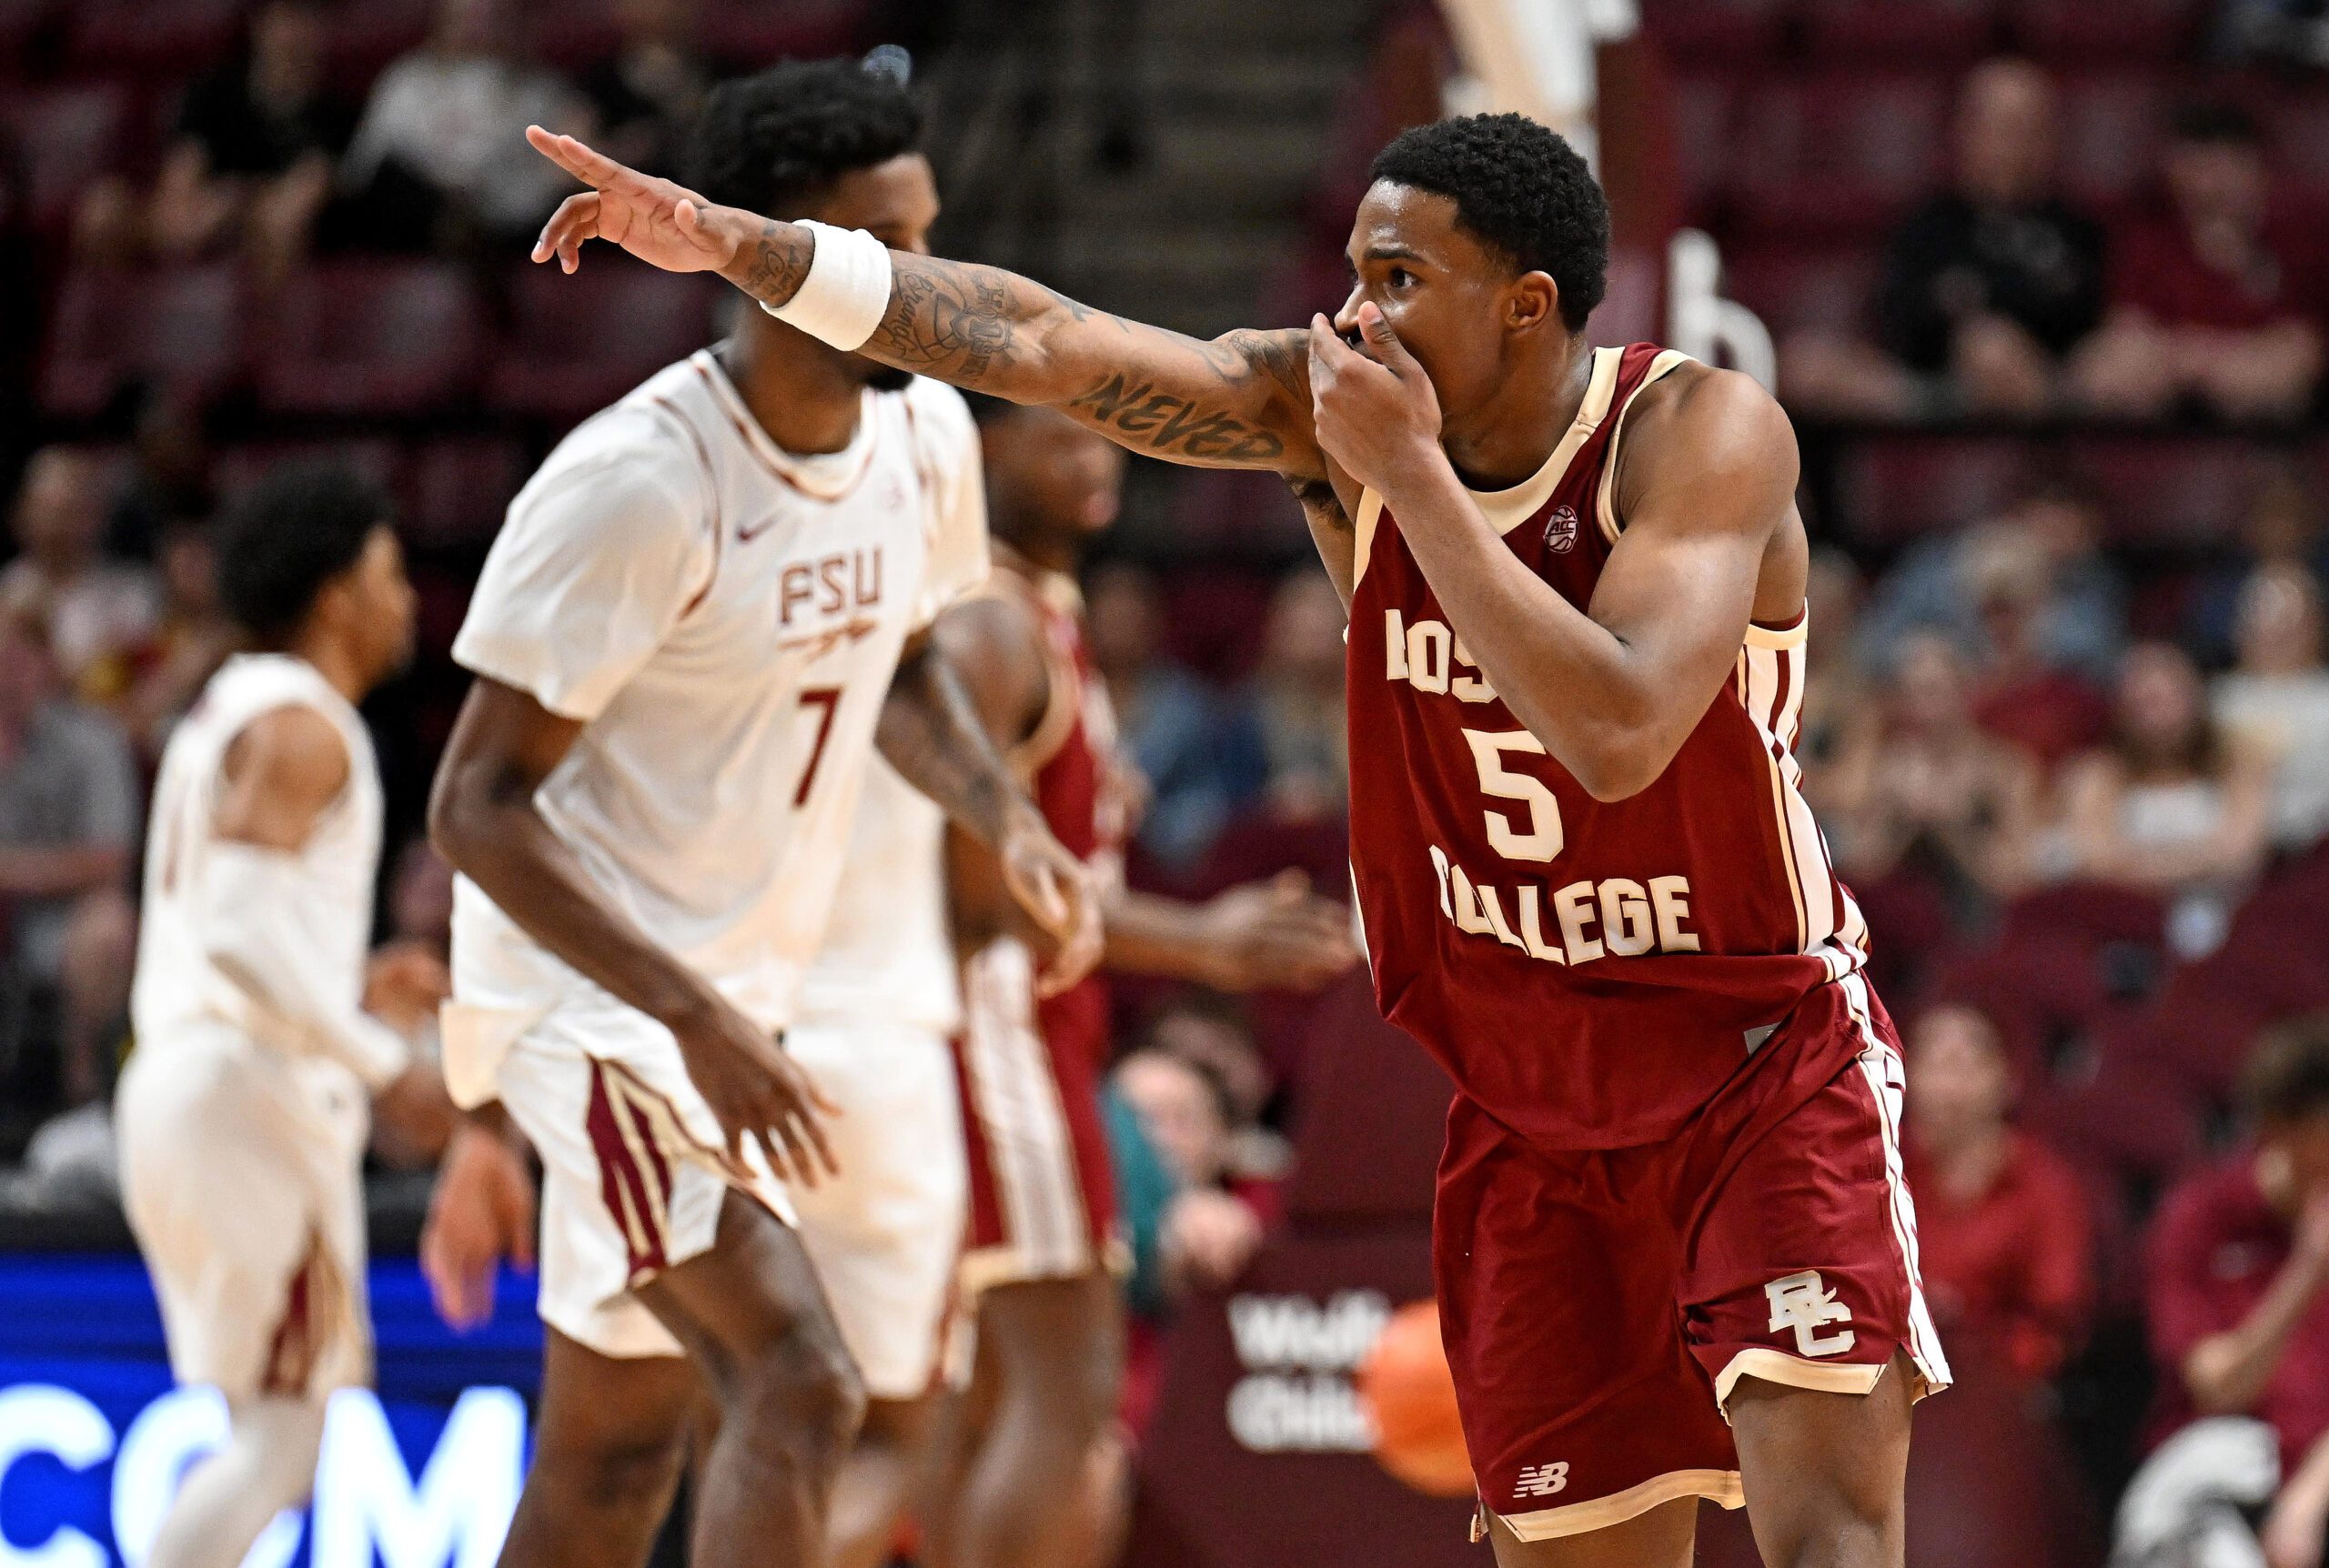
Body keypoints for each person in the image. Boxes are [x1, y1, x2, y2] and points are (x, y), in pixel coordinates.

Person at [529, 103, 1951, 1566]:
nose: (1351, 315)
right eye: (1351, 272)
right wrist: (742, 250)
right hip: (1531, 1100)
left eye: (1399, 280)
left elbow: (1618, 731)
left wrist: (1406, 484)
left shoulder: (1698, 434)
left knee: (1829, 1540)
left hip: (1755, 1062)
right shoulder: (1322, 413)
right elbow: (1043, 341)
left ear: (1525, 307)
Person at [420, 59, 1099, 1568]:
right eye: (879, 246)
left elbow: (909, 667)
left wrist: (1011, 818)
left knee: (613, 1446)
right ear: (778, 251)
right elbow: (474, 803)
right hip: (594, 1000)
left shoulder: (924, 440)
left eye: (925, 236)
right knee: (802, 1371)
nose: (916, 283)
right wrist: (700, 1022)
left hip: (730, 992)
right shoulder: (637, 486)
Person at [923, 403, 1356, 1568]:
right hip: (995, 1035)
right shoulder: (986, 629)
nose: (1095, 456)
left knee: (989, 1409)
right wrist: (1202, 942)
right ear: (981, 457)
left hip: (1034, 1033)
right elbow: (974, 896)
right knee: (1063, 1404)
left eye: (1098, 432)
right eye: (1055, 437)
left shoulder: (1045, 624)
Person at [113, 464, 447, 1568]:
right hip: (239, 1092)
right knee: (282, 1434)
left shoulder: (232, 702)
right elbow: (238, 940)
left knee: (271, 1427)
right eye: (391, 574)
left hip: (192, 1077)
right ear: (338, 591)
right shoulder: (306, 724)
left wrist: (351, 986)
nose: (406, 601)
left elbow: (242, 928)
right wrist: (382, 1057)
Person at [2148, 1017, 2329, 1565]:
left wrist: (2307, 1503)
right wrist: (2308, 1270)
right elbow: (2216, 1386)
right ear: (2281, 1130)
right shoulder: (2200, 1216)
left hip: (2314, 1478)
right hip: (2221, 1461)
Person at [2072, 102, 2324, 423]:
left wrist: (2190, 357)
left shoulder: (2297, 242)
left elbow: (2303, 352)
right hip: (2164, 393)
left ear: (2260, 173)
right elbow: (2128, 337)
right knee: (2110, 367)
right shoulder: (2148, 240)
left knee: (2279, 376)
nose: (2214, 184)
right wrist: (2222, 361)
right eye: (2200, 167)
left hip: (2263, 413)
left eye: (2230, 165)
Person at [1900, 1005, 2091, 1384]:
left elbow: (2056, 1325)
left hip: (1994, 1390)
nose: (1947, 1088)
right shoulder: (1875, 1166)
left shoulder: (2045, 1186)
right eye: (1933, 1065)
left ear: (2006, 1080)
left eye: (1964, 1066)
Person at [0, 606, 140, 1110]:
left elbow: (110, 860)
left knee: (109, 928)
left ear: (46, 662)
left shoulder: (92, 740)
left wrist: (14, 871)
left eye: (18, 657)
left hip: (64, 916)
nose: (7, 671)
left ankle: (83, 1097)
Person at [2063, 641, 2272, 955]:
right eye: (2145, 703)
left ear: (2195, 699)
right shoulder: (2096, 775)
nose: (2158, 717)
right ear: (2122, 709)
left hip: (2231, 924)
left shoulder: (2235, 764)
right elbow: (2097, 864)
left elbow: (2242, 856)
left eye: (2169, 701)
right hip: (2124, 931)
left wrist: (2134, 863)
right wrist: (2204, 858)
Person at [338, 0, 587, 252]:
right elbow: (364, 172)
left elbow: (546, 189)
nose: (476, 31)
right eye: (464, 18)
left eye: (490, 20)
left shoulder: (544, 95)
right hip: (412, 224)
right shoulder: (405, 81)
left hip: (504, 230)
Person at [3, 447, 157, 709]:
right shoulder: (8, 590)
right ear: (22, 513)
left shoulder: (133, 593)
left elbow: (137, 688)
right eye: (48, 510)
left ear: (97, 516)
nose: (57, 526)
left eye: (72, 510)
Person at [2214, 565, 2329, 852]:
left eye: (2288, 624)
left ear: (2315, 626)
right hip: (2224, 852)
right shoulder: (2214, 700)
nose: (2275, 635)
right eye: (2263, 621)